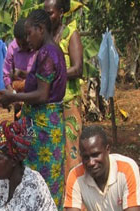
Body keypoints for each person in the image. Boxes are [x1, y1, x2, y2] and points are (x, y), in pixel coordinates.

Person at [0, 10, 67, 209]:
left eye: (29, 34)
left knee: (40, 178)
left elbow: (43, 94)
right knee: (46, 177)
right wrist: (25, 74)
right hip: (48, 122)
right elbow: (47, 81)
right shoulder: (52, 50)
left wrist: (13, 97)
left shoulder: (46, 53)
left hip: (43, 125)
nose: (27, 39)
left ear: (41, 29)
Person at [45, 0, 83, 173]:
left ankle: (73, 193)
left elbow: (77, 68)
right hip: (50, 103)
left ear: (61, 12)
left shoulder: (70, 34)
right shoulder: (45, 36)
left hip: (69, 102)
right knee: (53, 149)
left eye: (50, 13)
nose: (47, 16)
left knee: (71, 148)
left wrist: (54, 75)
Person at [2, 18, 37, 118]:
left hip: (36, 98)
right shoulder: (12, 48)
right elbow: (6, 76)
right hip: (18, 99)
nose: (22, 47)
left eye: (25, 44)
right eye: (19, 44)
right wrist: (13, 95)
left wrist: (23, 73)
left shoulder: (38, 47)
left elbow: (41, 74)